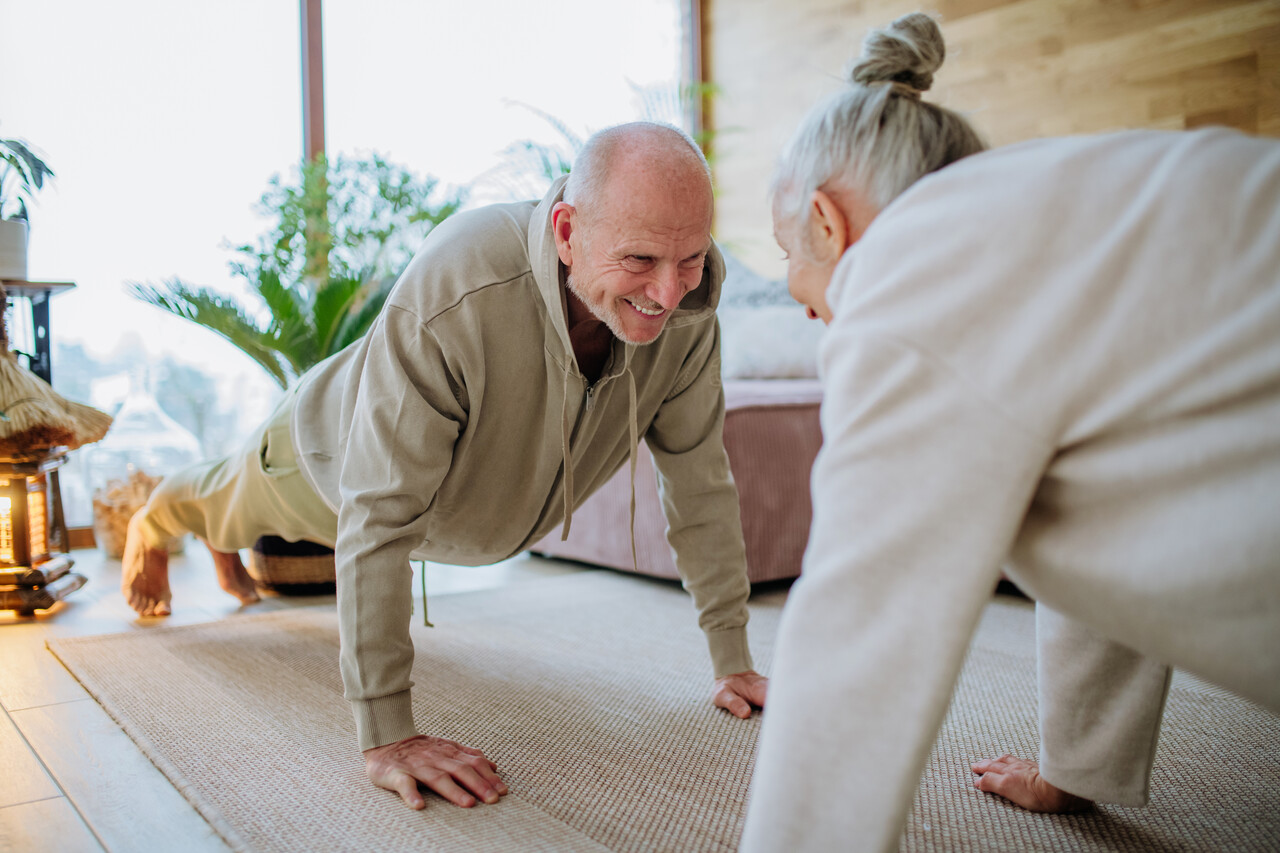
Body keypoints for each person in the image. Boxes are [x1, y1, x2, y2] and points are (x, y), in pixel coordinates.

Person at [738, 12, 1280, 852]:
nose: (802, 303)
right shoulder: (1049, 205)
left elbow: (859, 624)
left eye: (789, 260)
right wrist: (1077, 769)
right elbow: (1107, 492)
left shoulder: (907, 273)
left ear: (828, 221)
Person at [121, 121, 769, 810]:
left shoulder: (691, 314)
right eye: (639, 260)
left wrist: (734, 658)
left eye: (690, 259)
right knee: (223, 496)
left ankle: (212, 530)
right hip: (327, 460)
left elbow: (699, 480)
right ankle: (157, 513)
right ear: (567, 231)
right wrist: (387, 734)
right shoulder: (461, 280)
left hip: (448, 509)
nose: (668, 293)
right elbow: (375, 515)